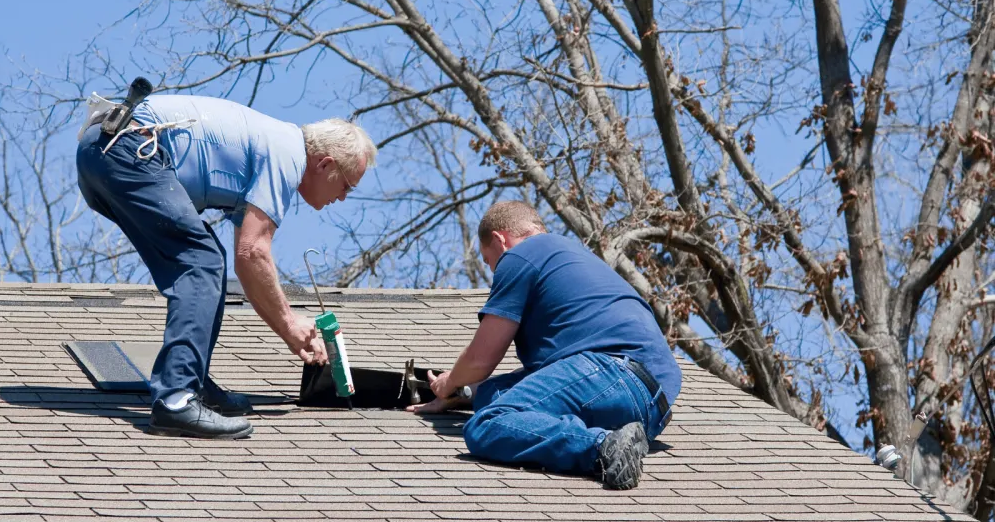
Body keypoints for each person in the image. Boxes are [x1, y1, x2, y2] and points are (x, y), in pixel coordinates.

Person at [75, 94, 376, 440]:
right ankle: (176, 399)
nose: (342, 197)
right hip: (128, 148)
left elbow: (245, 263)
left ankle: (192, 383)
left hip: (102, 150)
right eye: (347, 187)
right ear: (324, 165)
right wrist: (290, 323)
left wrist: (287, 329)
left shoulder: (268, 147)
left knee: (208, 262)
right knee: (201, 261)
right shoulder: (287, 154)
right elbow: (254, 252)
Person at [408, 201, 680, 489]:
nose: (494, 272)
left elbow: (480, 360)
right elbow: (541, 383)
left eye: (490, 262)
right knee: (494, 398)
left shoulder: (520, 255)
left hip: (610, 371)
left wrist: (449, 382)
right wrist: (464, 394)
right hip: (650, 409)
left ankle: (602, 446)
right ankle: (617, 440)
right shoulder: (571, 258)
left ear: (501, 240)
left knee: (488, 424)